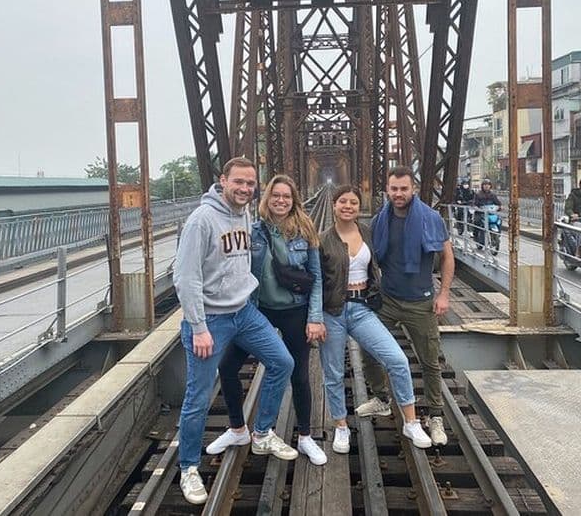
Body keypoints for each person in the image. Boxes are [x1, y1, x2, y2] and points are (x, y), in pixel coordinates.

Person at [173, 158, 296, 505]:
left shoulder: (244, 214)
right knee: (198, 396)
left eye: (250, 184)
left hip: (244, 312)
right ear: (223, 180)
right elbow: (185, 278)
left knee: (282, 362)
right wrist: (198, 327)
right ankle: (188, 468)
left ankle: (261, 433)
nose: (244, 189)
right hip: (210, 320)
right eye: (238, 182)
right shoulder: (201, 220)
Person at [206, 174, 328, 466]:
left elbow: (317, 278)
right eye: (276, 195)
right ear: (267, 198)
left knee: (298, 373)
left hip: (294, 310)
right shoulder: (252, 229)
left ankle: (305, 437)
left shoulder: (305, 230)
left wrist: (315, 317)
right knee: (228, 366)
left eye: (286, 196)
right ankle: (237, 429)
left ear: (293, 200)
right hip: (257, 309)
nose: (281, 201)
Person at [319, 185, 432, 454]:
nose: (348, 206)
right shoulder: (322, 238)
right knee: (333, 373)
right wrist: (314, 317)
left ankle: (411, 422)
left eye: (353, 202)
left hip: (362, 309)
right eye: (343, 201)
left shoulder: (369, 233)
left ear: (360, 207)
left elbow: (394, 254)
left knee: (397, 360)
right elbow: (314, 281)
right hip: (332, 312)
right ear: (334, 205)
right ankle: (341, 427)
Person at [354, 166, 454, 446]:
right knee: (369, 348)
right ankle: (381, 398)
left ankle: (435, 415)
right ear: (388, 189)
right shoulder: (378, 221)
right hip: (387, 299)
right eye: (394, 189)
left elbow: (447, 257)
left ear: (414, 189)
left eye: (403, 189)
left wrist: (443, 294)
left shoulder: (431, 219)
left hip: (421, 301)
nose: (398, 194)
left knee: (430, 361)